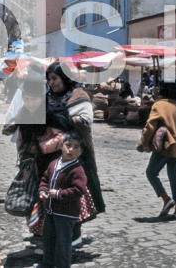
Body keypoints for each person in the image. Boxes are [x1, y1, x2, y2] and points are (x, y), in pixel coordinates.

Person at [46, 61, 105, 246]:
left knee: (74, 193)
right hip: (53, 153)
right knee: (55, 192)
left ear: (64, 77)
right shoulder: (49, 97)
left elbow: (86, 121)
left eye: (54, 78)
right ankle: (57, 233)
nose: (51, 83)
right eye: (49, 80)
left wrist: (61, 117)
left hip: (77, 153)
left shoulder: (79, 95)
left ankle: (74, 235)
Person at [138, 81, 176, 219]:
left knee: (151, 173)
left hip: (166, 145)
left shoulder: (159, 105)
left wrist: (144, 143)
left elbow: (151, 125)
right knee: (175, 178)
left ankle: (166, 199)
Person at [37, 131, 88, 268]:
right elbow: (45, 180)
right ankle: (48, 263)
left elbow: (79, 190)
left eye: (76, 147)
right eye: (68, 145)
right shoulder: (54, 164)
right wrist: (42, 191)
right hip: (51, 211)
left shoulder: (77, 170)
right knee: (48, 239)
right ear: (61, 146)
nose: (71, 149)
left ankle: (62, 265)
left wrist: (59, 194)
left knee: (63, 243)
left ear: (81, 151)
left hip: (67, 213)